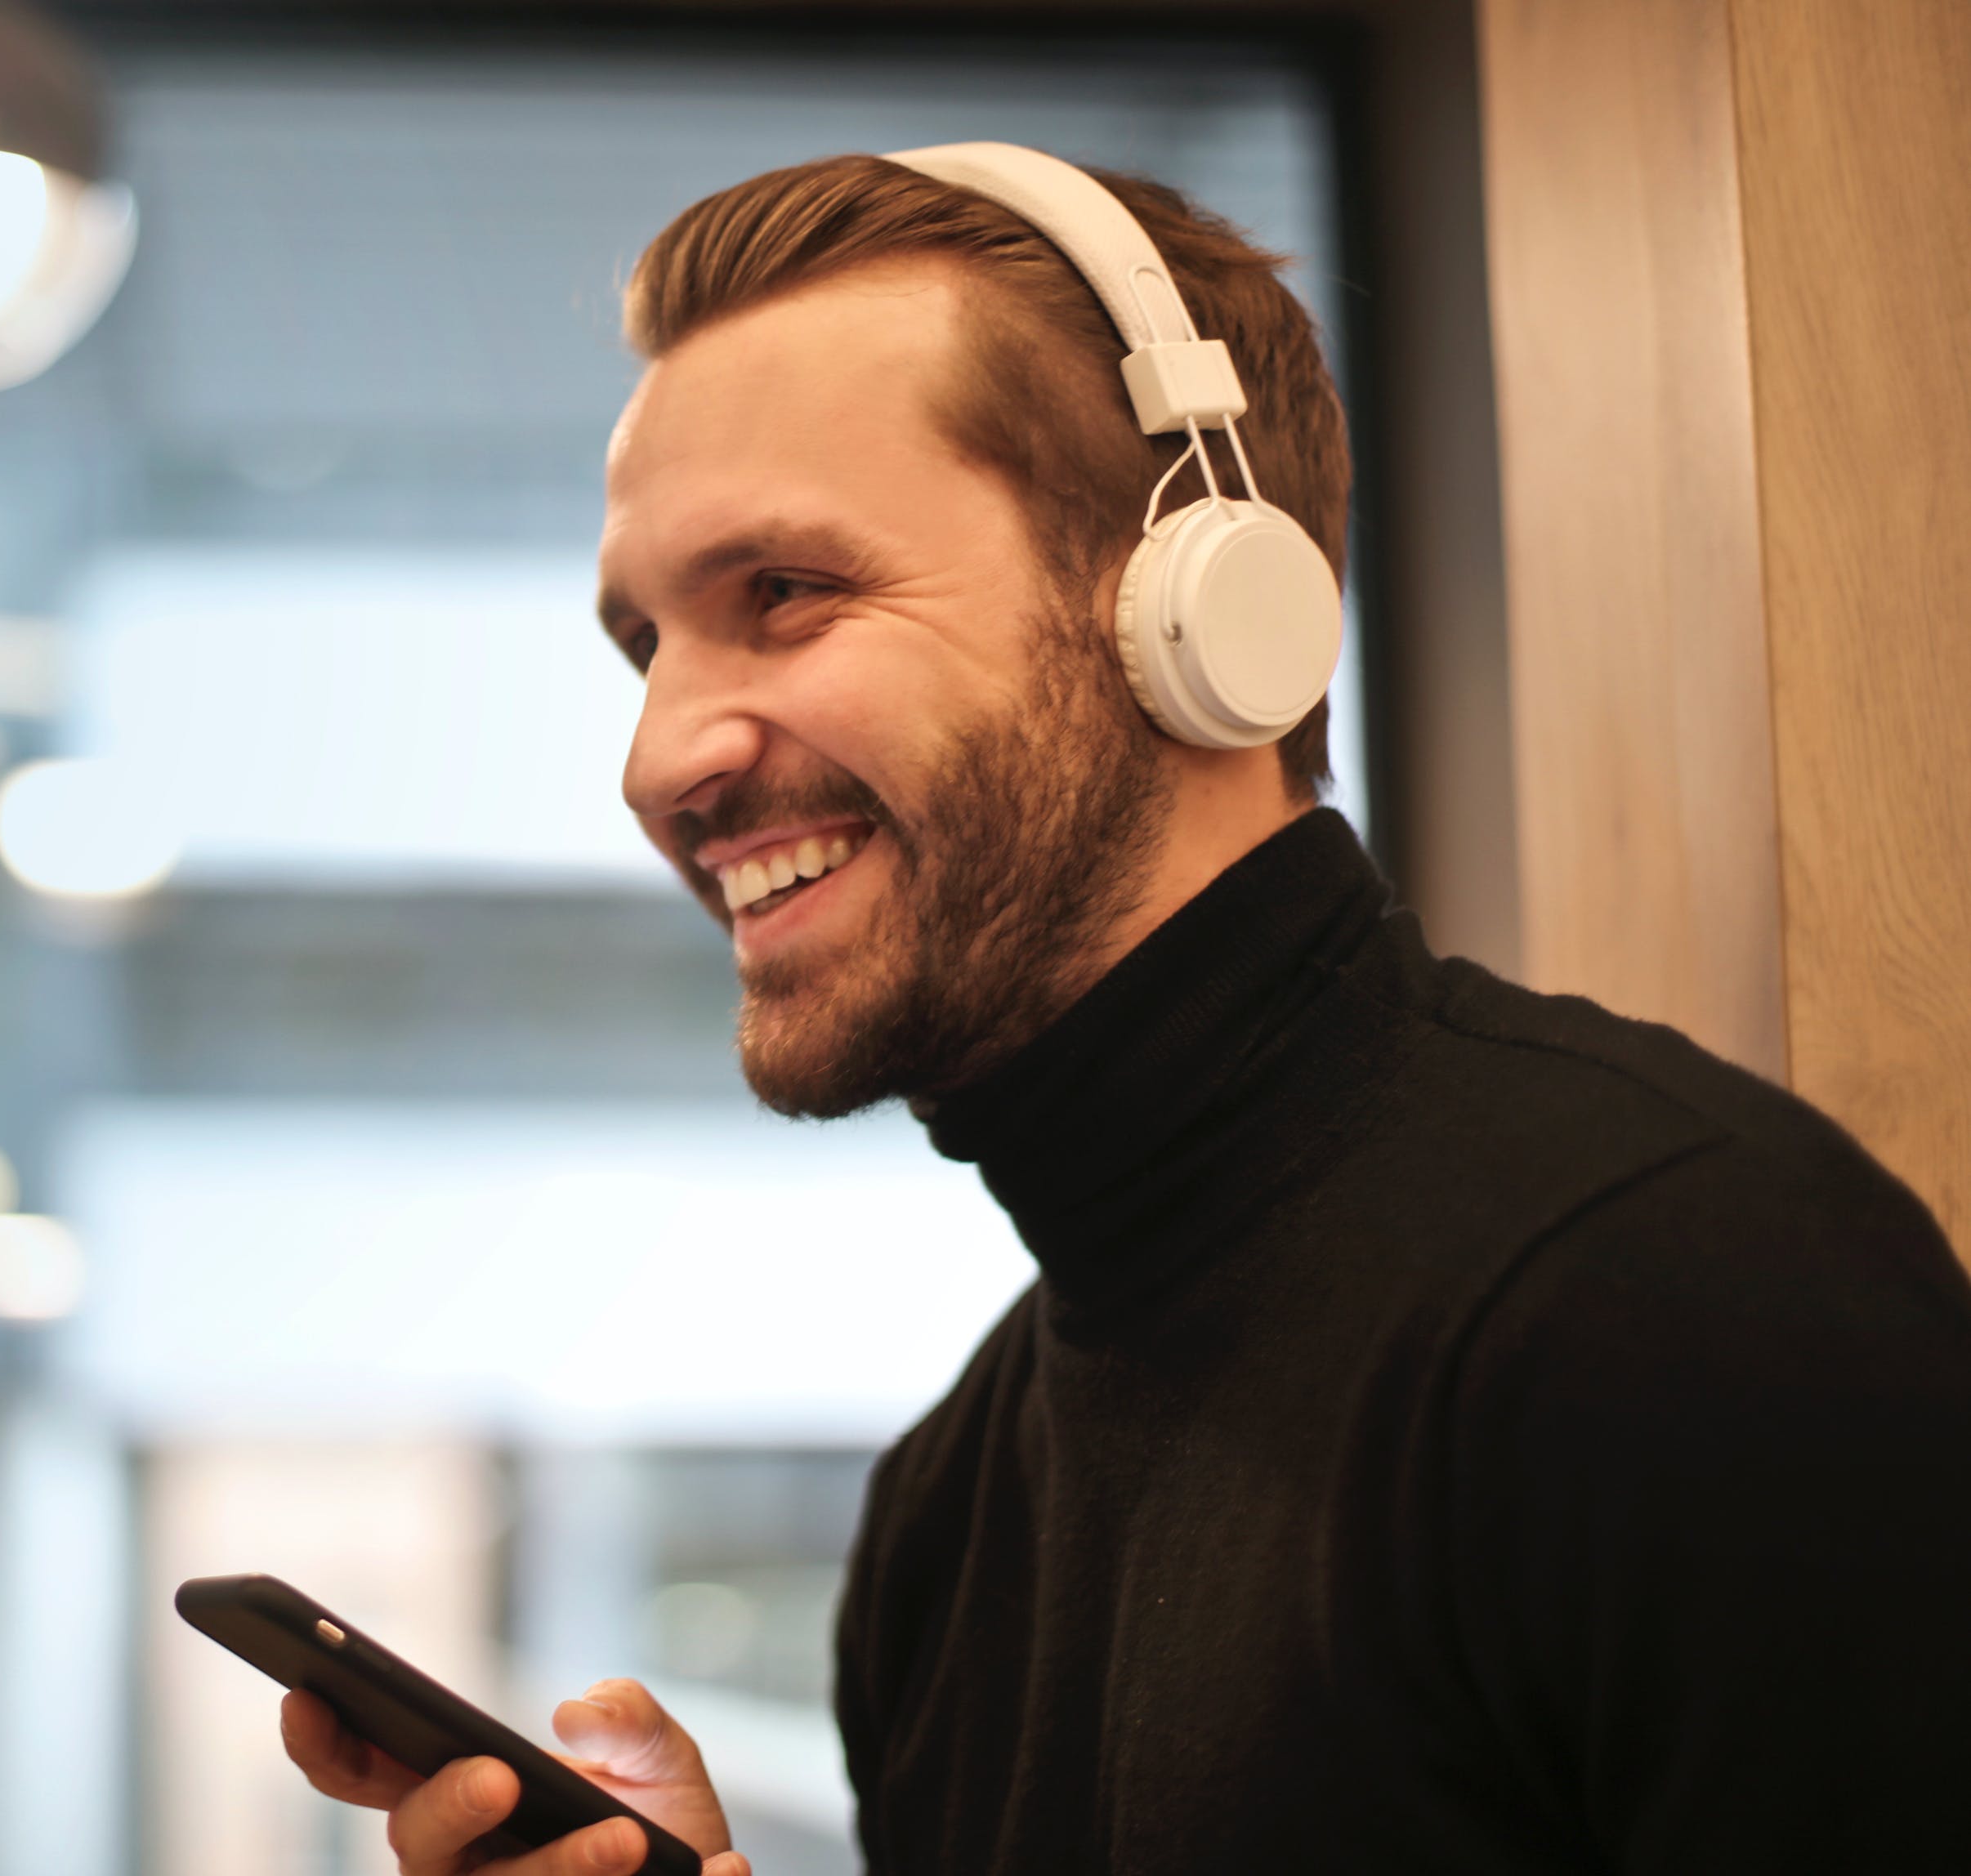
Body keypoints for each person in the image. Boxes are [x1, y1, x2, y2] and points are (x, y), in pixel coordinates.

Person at [281, 145, 1971, 1875]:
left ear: (1201, 605)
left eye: (783, 594)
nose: (660, 762)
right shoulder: (944, 1522)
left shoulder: (1676, 1291)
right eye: (649, 647)